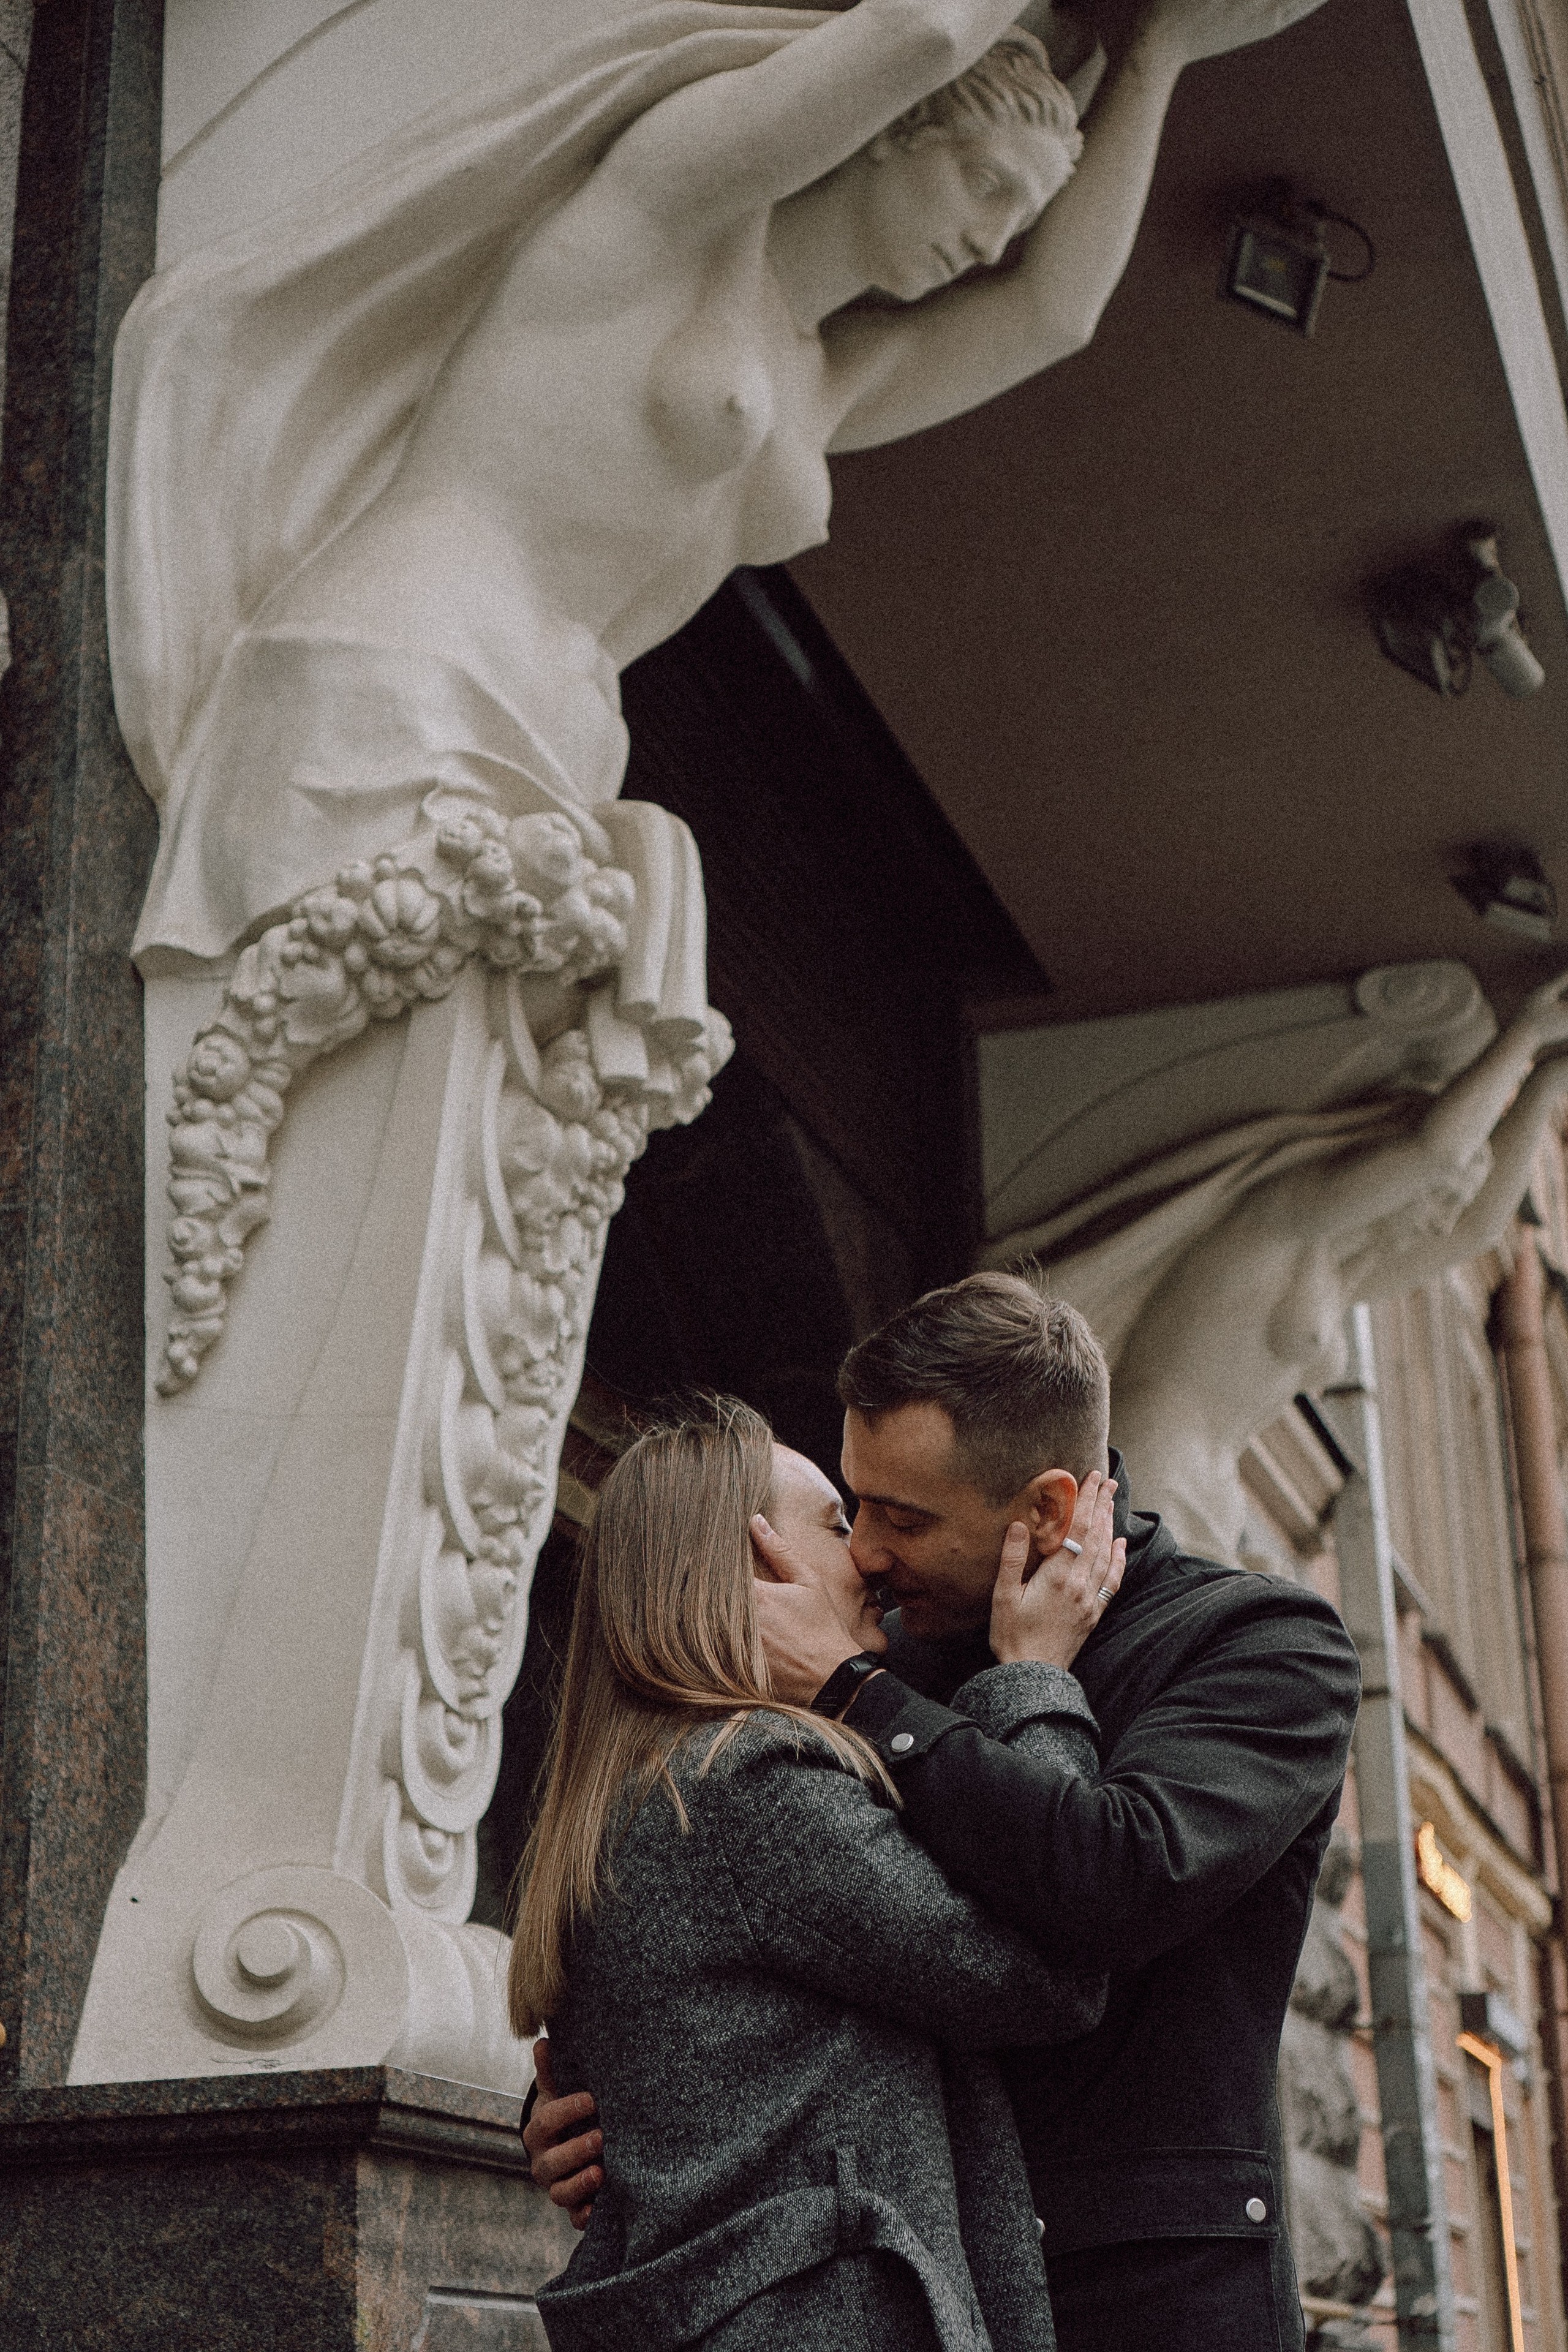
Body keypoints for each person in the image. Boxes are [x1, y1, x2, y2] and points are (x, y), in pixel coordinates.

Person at [111, 0, 1331, 968]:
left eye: (1020, 214)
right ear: (894, 128)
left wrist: (1161, 47)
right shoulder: (678, 207)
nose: (993, 239)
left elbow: (1049, 315)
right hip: (415, 651)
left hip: (570, 730)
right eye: (985, 185)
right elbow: (912, 31)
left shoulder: (824, 378)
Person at [529, 1278, 1362, 2352]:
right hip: (930, 2288)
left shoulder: (1255, 1646)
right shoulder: (875, 1657)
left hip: (1141, 2297)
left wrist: (870, 1695)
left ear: (1049, 1512)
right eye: (854, 1504)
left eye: (903, 1517)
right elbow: (753, 1930)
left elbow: (1111, 1883)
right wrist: (606, 2108)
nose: (868, 1551)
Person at [511, 1390, 1126, 2350]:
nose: (872, 1559)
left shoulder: (641, 1786)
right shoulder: (750, 1783)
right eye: (840, 1524)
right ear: (758, 1562)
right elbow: (1047, 1970)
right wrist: (1036, 1672)